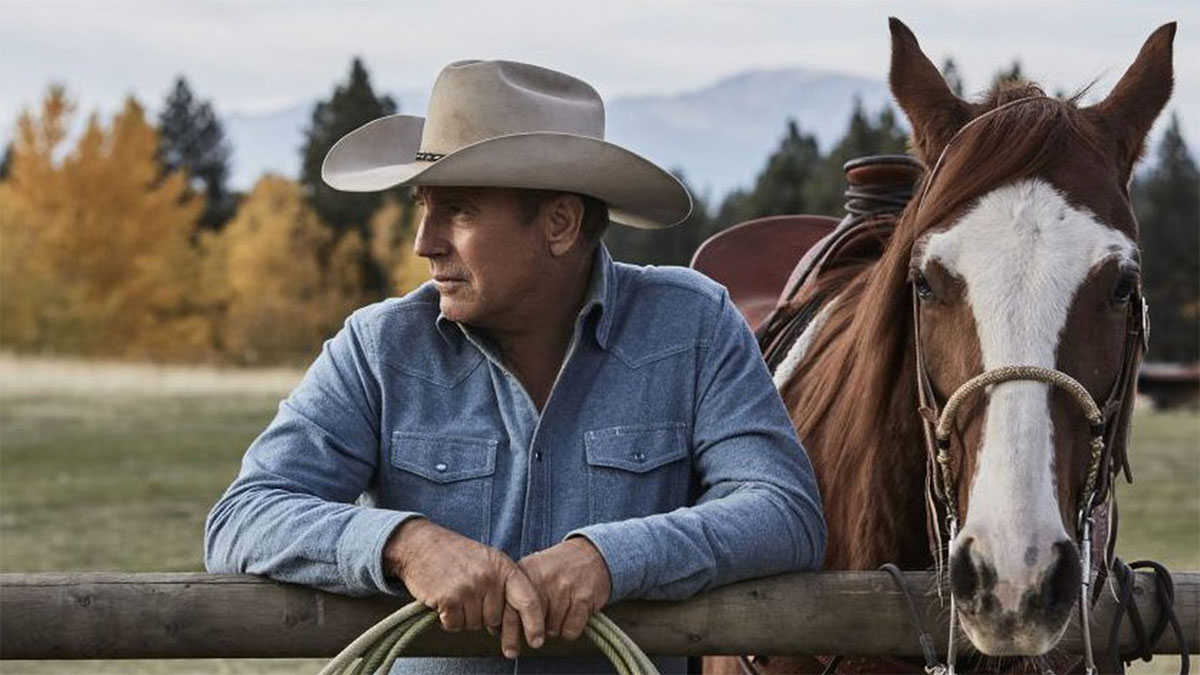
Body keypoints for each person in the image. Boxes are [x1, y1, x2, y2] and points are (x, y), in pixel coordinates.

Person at [205, 59, 825, 674]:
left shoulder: (692, 325)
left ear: (559, 224)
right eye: (426, 206)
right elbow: (245, 516)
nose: (425, 241)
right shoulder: (379, 347)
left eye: (460, 210)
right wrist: (406, 544)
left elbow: (783, 510)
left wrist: (609, 558)